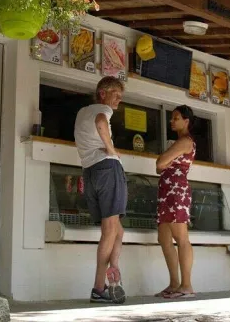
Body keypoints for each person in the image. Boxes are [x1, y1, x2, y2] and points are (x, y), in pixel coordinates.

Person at [74, 76, 127, 304]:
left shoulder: (80, 112)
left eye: (120, 96)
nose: (118, 99)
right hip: (107, 168)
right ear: (102, 93)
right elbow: (100, 122)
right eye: (115, 93)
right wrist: (111, 149)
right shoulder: (102, 110)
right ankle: (99, 287)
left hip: (90, 172)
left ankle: (113, 270)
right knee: (109, 229)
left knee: (117, 230)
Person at [154, 105, 197, 299]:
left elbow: (160, 163)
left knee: (181, 238)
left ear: (186, 121)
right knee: (164, 238)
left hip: (176, 192)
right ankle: (174, 283)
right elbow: (160, 166)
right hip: (167, 193)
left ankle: (186, 285)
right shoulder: (179, 142)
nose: (172, 121)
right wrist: (164, 164)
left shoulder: (185, 141)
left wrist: (165, 163)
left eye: (176, 118)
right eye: (172, 118)